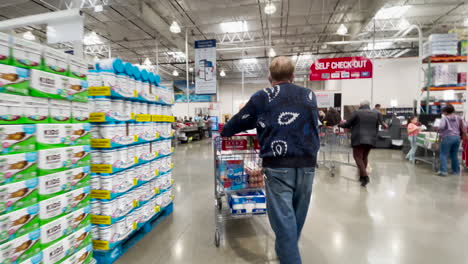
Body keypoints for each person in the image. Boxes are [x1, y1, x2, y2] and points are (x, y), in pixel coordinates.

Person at [221, 56, 319, 264]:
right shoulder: (309, 95)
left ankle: (288, 255)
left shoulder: (262, 97)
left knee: (284, 222)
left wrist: (226, 131)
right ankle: (285, 251)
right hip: (308, 164)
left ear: (269, 77)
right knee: (296, 218)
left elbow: (241, 119)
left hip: (278, 166)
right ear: (293, 76)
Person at [339, 100, 380, 187]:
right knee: (364, 157)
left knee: (357, 157)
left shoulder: (357, 112)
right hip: (371, 139)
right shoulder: (375, 113)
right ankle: (362, 176)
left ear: (361, 105)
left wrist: (340, 124)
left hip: (359, 139)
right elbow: (377, 127)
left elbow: (348, 124)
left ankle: (365, 176)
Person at [437, 104, 463, 176]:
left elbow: (441, 127)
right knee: (454, 154)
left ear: (446, 112)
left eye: (443, 112)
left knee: (443, 154)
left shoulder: (444, 118)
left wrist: (437, 129)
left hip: (448, 137)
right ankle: (456, 171)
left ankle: (443, 171)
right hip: (457, 137)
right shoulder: (458, 117)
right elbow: (463, 126)